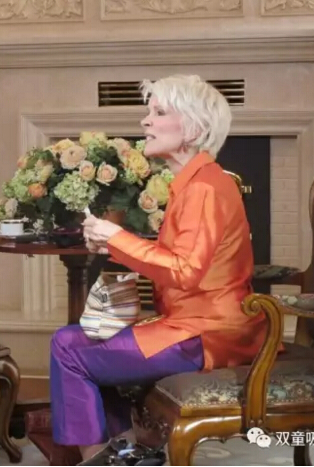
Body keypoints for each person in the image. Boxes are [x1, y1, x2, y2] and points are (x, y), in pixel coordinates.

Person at [49, 74, 269, 462]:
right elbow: (182, 258)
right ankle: (123, 451)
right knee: (83, 343)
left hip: (205, 334)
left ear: (193, 129)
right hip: (200, 327)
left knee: (68, 346)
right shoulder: (199, 181)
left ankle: (104, 457)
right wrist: (112, 241)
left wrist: (116, 236)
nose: (145, 121)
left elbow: (184, 271)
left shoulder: (202, 188)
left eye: (159, 112)